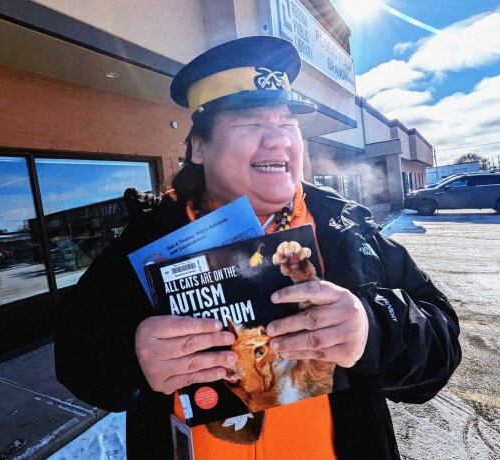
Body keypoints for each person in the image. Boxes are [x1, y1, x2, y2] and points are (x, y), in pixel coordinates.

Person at [55, 36, 461, 459]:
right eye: (252, 123)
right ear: (198, 147)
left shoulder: (345, 229)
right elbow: (75, 359)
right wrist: (132, 356)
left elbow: (442, 342)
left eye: (287, 124)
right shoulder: (147, 242)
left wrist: (372, 329)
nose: (278, 140)